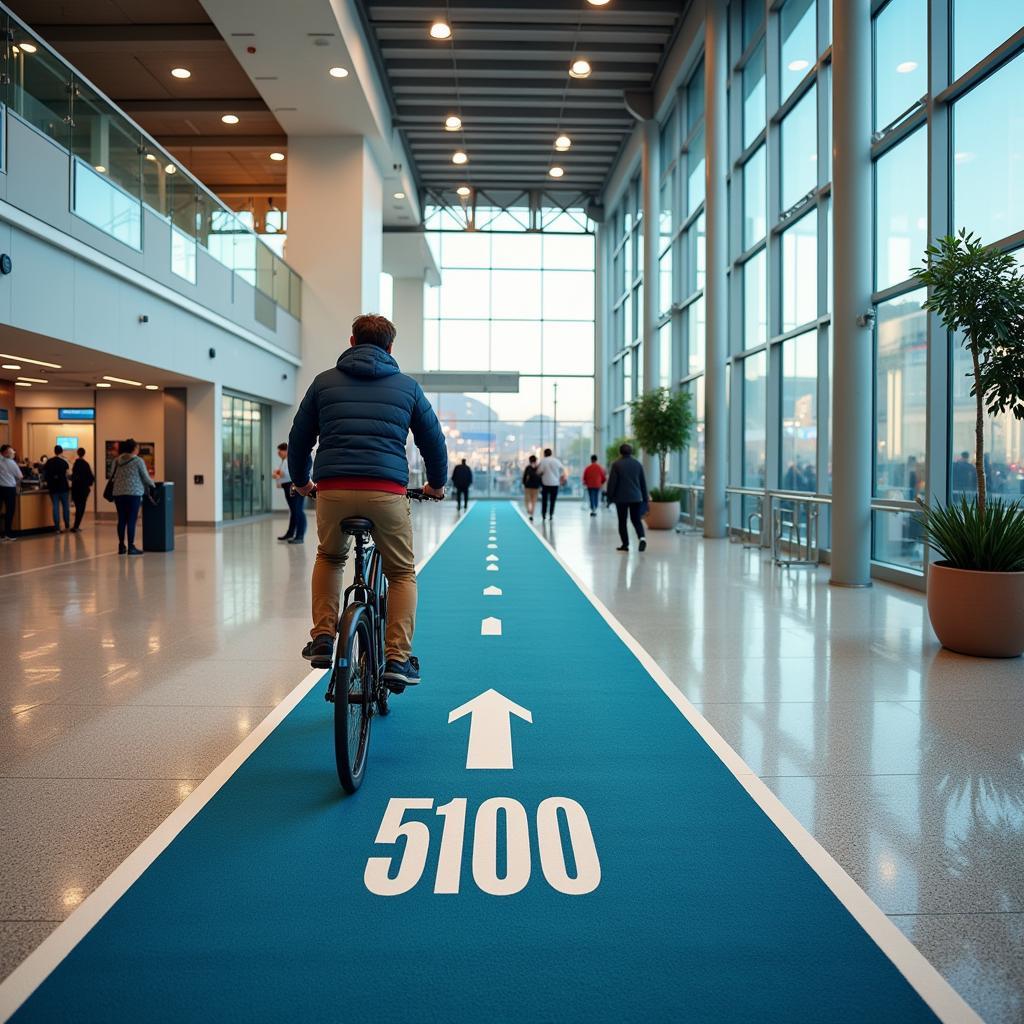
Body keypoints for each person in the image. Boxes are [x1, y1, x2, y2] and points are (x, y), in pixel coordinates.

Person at [288, 313, 447, 689]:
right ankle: (397, 659)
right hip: (386, 492)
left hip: (333, 489)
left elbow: (299, 439)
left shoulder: (323, 383)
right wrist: (436, 485)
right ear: (390, 347)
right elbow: (433, 441)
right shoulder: (407, 387)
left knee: (330, 556)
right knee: (401, 573)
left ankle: (324, 638)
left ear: (352, 342)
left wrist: (301, 482)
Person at [110, 438, 154, 555]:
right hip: (133, 493)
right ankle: (131, 546)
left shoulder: (116, 460)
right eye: (137, 447)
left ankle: (121, 546)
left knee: (121, 519)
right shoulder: (138, 461)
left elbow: (111, 475)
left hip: (118, 493)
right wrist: (153, 485)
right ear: (133, 449)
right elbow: (145, 477)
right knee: (131, 520)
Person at [606, 442, 649, 552]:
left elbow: (612, 483)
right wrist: (645, 499)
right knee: (636, 520)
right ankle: (642, 538)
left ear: (620, 452)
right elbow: (643, 483)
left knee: (622, 521)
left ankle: (625, 544)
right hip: (636, 497)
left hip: (621, 498)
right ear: (631, 452)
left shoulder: (616, 464)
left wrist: (609, 497)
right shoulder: (637, 464)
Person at [273, 441, 306, 544]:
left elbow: (287, 474)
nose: (279, 453)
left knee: (297, 510)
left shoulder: (291, 460)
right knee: (294, 511)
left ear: (286, 451)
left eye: (280, 451)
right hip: (288, 486)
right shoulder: (284, 461)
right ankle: (291, 533)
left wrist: (277, 474)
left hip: (293, 486)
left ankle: (299, 535)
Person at [42, 445, 71, 532]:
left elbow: (45, 474)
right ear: (61, 451)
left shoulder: (49, 462)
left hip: (53, 488)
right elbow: (67, 474)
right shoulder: (64, 462)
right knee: (66, 507)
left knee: (55, 507)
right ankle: (67, 525)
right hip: (63, 487)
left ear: (54, 451)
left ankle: (57, 528)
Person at [0, 443, 22, 542]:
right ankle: (8, 533)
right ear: (6, 452)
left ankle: (1, 535)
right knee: (10, 511)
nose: (13, 452)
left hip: (0, 488)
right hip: (9, 488)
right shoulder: (11, 462)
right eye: (11, 451)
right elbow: (20, 476)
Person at [537, 447, 565, 521]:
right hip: (555, 484)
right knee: (553, 500)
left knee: (544, 500)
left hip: (545, 483)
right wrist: (560, 477)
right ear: (551, 453)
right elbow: (562, 469)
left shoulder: (543, 461)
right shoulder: (556, 461)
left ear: (544, 454)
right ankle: (551, 514)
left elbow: (538, 472)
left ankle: (544, 514)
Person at [70, 448, 95, 533]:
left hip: (75, 489)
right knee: (82, 507)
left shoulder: (75, 464)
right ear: (84, 454)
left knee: (77, 507)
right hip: (83, 490)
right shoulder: (86, 464)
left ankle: (75, 526)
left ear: (77, 453)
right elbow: (91, 477)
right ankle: (76, 526)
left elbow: (72, 476)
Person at [521, 454, 541, 521]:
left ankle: (529, 510)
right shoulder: (538, 467)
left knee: (527, 500)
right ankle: (532, 513)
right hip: (536, 486)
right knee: (533, 501)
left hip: (528, 486)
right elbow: (540, 476)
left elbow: (524, 476)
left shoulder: (528, 468)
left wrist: (524, 483)